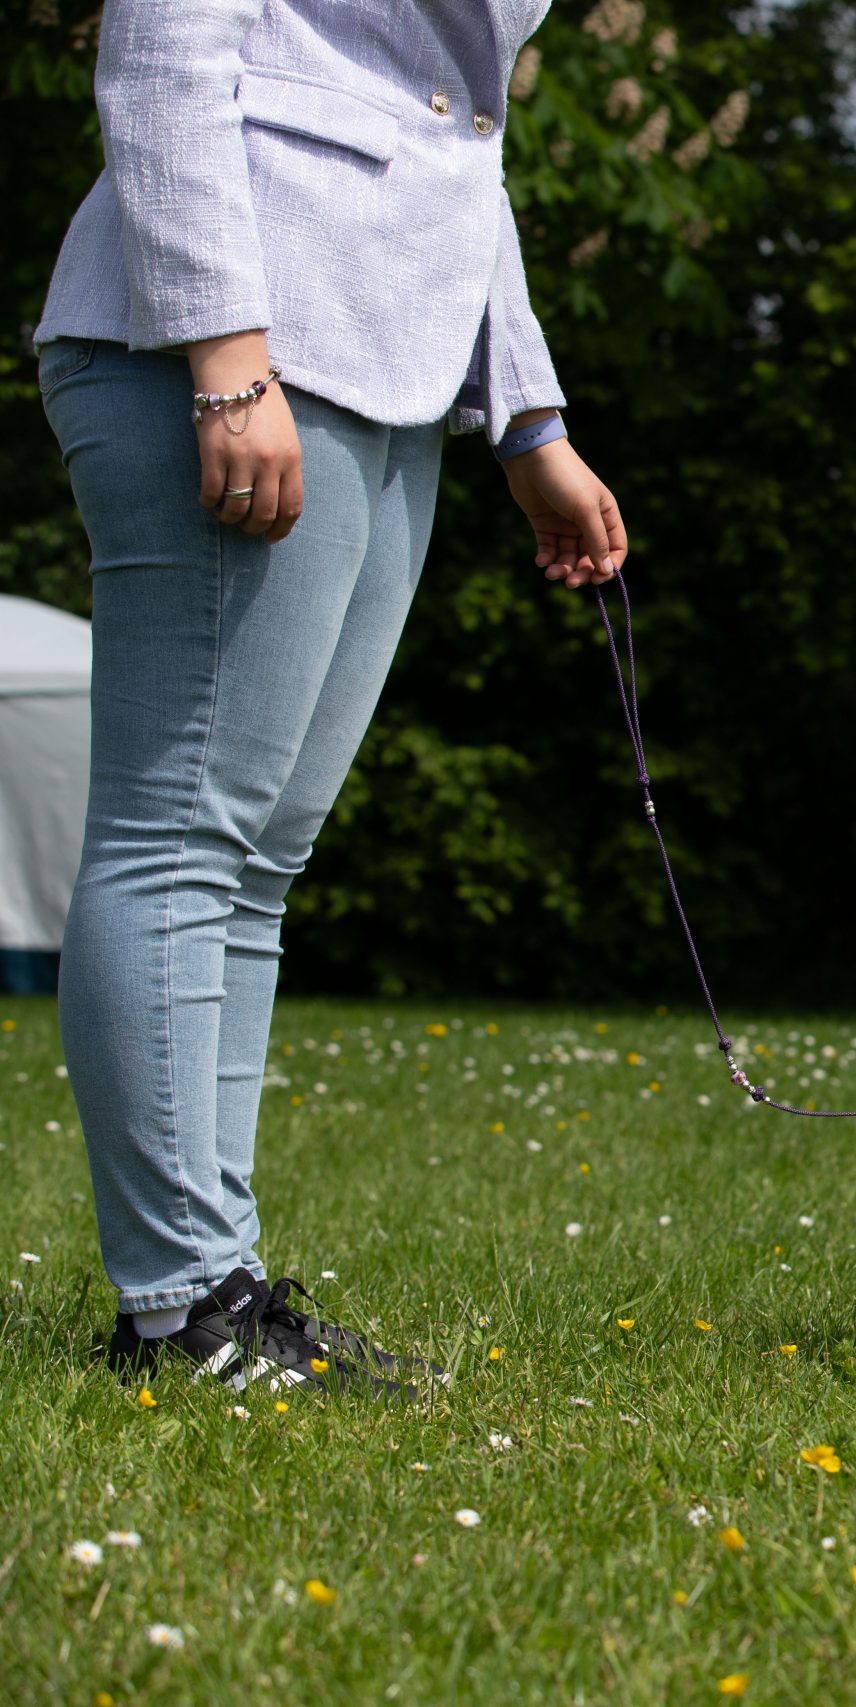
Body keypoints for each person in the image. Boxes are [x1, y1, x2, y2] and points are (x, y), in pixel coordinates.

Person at [34, 0, 624, 1400]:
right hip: (231, 346)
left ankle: (213, 1290)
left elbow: (457, 134)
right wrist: (224, 354)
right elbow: (163, 47)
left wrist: (528, 421)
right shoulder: (224, 351)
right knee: (184, 836)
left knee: (258, 857)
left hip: (385, 363)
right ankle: (182, 1307)